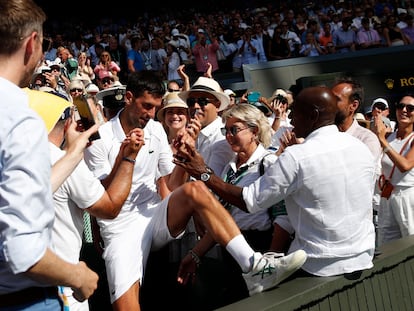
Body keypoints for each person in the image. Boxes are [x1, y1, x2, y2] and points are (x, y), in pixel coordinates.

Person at [83, 71, 306, 310]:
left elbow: (171, 184)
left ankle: (254, 266)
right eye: (146, 106)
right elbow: (103, 199)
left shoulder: (156, 130)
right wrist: (124, 158)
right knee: (125, 306)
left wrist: (182, 159)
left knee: (196, 189)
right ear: (128, 98)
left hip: (153, 216)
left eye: (155, 107)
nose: (149, 115)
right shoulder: (100, 139)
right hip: (120, 226)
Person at [174, 86, 376, 278]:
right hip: (362, 259)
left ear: (313, 115)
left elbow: (250, 201)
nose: (291, 121)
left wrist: (204, 174)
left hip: (317, 266)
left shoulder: (296, 157)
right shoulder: (359, 147)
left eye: (295, 113)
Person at [0, 1, 98, 309]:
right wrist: (78, 276)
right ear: (31, 44)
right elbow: (23, 252)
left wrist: (73, 152)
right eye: (43, 45)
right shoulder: (19, 119)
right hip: (21, 299)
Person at [176, 103, 278, 306]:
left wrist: (270, 265)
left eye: (234, 129)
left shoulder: (269, 164)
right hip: (232, 252)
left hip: (261, 247)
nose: (229, 136)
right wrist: (195, 255)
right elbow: (222, 221)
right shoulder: (230, 169)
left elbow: (282, 219)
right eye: (226, 130)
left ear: (254, 131)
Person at [48, 102, 141, 310]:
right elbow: (109, 208)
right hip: (61, 291)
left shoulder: (11, 156)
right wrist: (128, 158)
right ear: (68, 125)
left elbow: (96, 193)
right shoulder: (64, 161)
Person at [372, 94, 414, 246]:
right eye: (400, 106)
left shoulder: (388, 138)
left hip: (407, 196)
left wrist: (382, 140)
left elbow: (405, 166)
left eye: (410, 108)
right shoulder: (390, 136)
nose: (404, 110)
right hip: (387, 195)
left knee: (410, 240)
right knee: (386, 241)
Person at [178, 76, 234, 175]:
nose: (195, 106)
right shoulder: (191, 132)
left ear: (217, 105)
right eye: (191, 102)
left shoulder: (223, 138)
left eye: (202, 101)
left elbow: (211, 182)